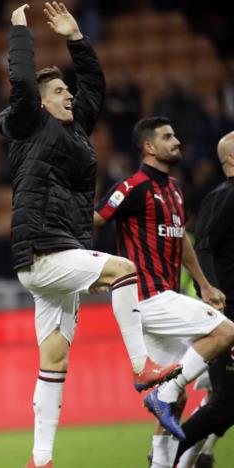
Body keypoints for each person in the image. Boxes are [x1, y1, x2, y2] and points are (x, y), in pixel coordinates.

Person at [0, 4, 181, 467]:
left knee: (54, 361)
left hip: (59, 253)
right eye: (59, 91)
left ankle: (40, 459)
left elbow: (94, 85)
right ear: (41, 102)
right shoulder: (28, 123)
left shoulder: (75, 131)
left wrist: (76, 38)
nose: (69, 95)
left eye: (67, 90)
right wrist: (20, 32)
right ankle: (140, 366)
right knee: (124, 269)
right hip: (42, 249)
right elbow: (22, 84)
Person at [94, 117, 234, 467]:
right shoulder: (132, 187)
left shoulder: (173, 188)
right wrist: (91, 270)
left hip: (166, 298)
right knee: (225, 332)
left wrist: (204, 284)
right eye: (167, 137)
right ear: (149, 147)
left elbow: (181, 239)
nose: (176, 141)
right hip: (147, 297)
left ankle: (162, 462)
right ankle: (165, 394)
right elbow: (93, 221)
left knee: (181, 398)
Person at [171, 130, 234, 466]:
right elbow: (203, 248)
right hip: (229, 316)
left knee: (225, 402)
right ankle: (170, 454)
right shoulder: (223, 197)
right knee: (226, 404)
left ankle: (196, 453)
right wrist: (211, 294)